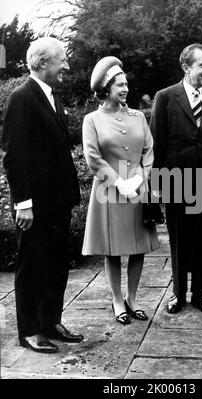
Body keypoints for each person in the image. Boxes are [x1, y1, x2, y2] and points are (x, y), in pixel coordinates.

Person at [2, 37, 83, 353]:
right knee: (32, 265)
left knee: (56, 263)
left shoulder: (53, 97)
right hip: (34, 205)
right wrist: (23, 203)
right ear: (41, 62)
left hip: (58, 202)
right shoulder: (21, 99)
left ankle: (51, 321)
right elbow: (14, 155)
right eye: (61, 59)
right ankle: (30, 330)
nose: (66, 65)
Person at [150, 43, 202, 314]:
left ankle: (200, 294)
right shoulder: (165, 97)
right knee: (178, 239)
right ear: (186, 68)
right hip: (176, 180)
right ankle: (178, 294)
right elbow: (158, 144)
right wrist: (158, 183)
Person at [82, 56, 159, 325]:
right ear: (106, 88)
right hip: (109, 191)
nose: (125, 89)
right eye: (119, 85)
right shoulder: (92, 120)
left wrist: (139, 177)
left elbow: (149, 149)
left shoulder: (138, 116)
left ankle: (133, 298)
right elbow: (92, 157)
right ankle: (117, 300)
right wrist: (118, 181)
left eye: (126, 84)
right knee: (112, 249)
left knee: (138, 247)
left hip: (138, 189)